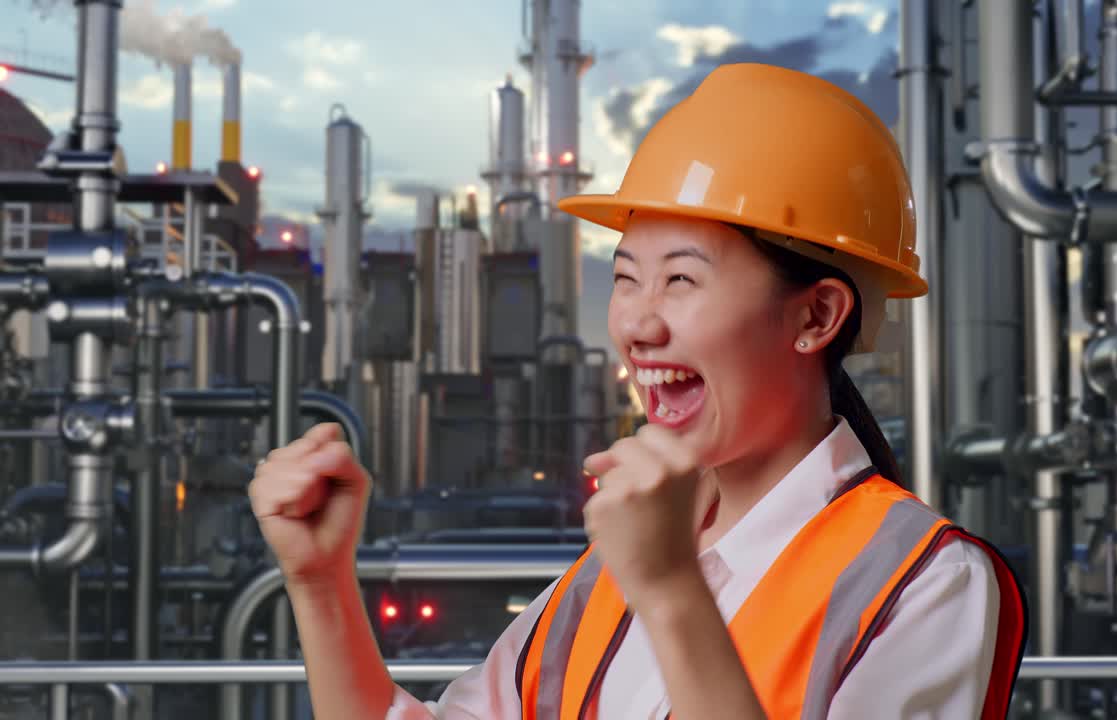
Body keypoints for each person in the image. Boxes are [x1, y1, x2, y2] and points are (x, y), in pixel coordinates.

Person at [249, 62, 1027, 719]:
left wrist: (670, 593)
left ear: (816, 314)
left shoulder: (925, 584)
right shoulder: (619, 568)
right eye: (626, 279)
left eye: (681, 279)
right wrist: (320, 586)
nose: (637, 326)